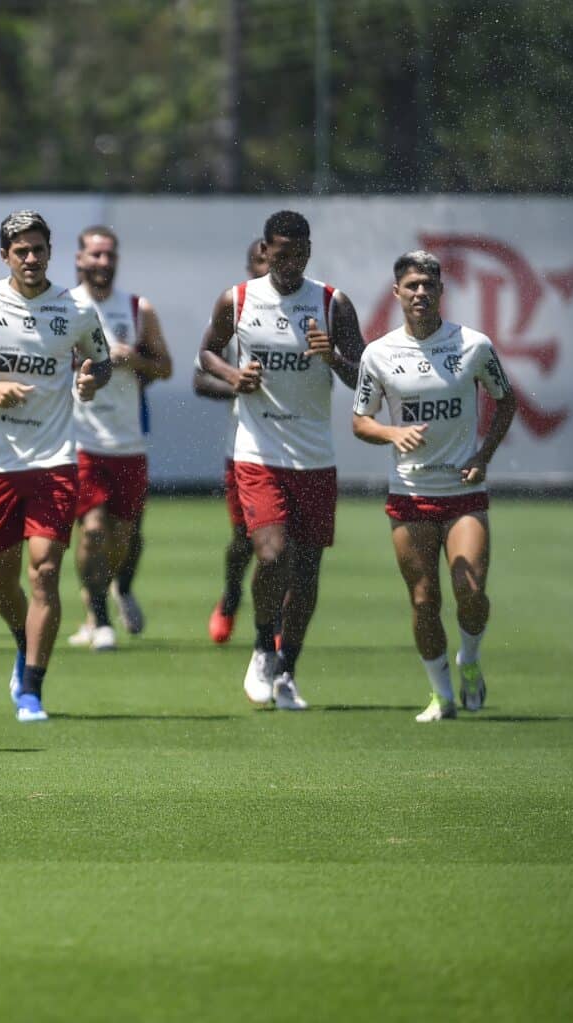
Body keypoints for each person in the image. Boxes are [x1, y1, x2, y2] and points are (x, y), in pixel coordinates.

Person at [0, 210, 110, 723]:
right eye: (21, 251)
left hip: (55, 459)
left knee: (46, 571)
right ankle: (21, 640)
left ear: (50, 253)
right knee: (1, 580)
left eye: (38, 249)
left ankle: (32, 687)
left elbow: (98, 359)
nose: (31, 259)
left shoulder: (75, 308)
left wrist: (89, 379)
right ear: (5, 256)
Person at [197, 209, 363, 710]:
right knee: (272, 555)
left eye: (298, 253)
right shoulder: (239, 298)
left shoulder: (333, 303)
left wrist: (332, 356)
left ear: (309, 252)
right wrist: (232, 376)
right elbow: (206, 355)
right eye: (280, 253)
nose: (289, 262)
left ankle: (288, 668)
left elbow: (364, 378)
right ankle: (262, 646)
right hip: (258, 451)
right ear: (265, 252)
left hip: (314, 456)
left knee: (308, 570)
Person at [353, 250, 516, 722]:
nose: (420, 292)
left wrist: (483, 457)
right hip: (409, 492)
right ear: (397, 292)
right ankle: (442, 695)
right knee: (424, 599)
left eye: (428, 284)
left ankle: (469, 657)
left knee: (470, 591)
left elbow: (506, 403)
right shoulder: (378, 353)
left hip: (463, 492)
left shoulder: (474, 346)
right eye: (412, 285)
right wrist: (390, 432)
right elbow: (361, 420)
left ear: (442, 291)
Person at [65, 226, 173, 651]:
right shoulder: (65, 307)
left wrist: (136, 359)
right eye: (95, 255)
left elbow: (165, 366)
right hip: (80, 438)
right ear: (79, 259)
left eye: (109, 255)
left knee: (123, 537)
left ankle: (106, 594)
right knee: (92, 530)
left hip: (127, 441)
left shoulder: (137, 308)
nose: (103, 263)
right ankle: (99, 617)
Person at [198, 238, 269, 644]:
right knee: (245, 539)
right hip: (245, 445)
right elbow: (199, 375)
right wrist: (236, 383)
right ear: (249, 267)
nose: (267, 268)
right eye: (260, 261)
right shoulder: (236, 310)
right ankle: (230, 596)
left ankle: (271, 622)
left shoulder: (305, 312)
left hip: (293, 446)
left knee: (281, 545)